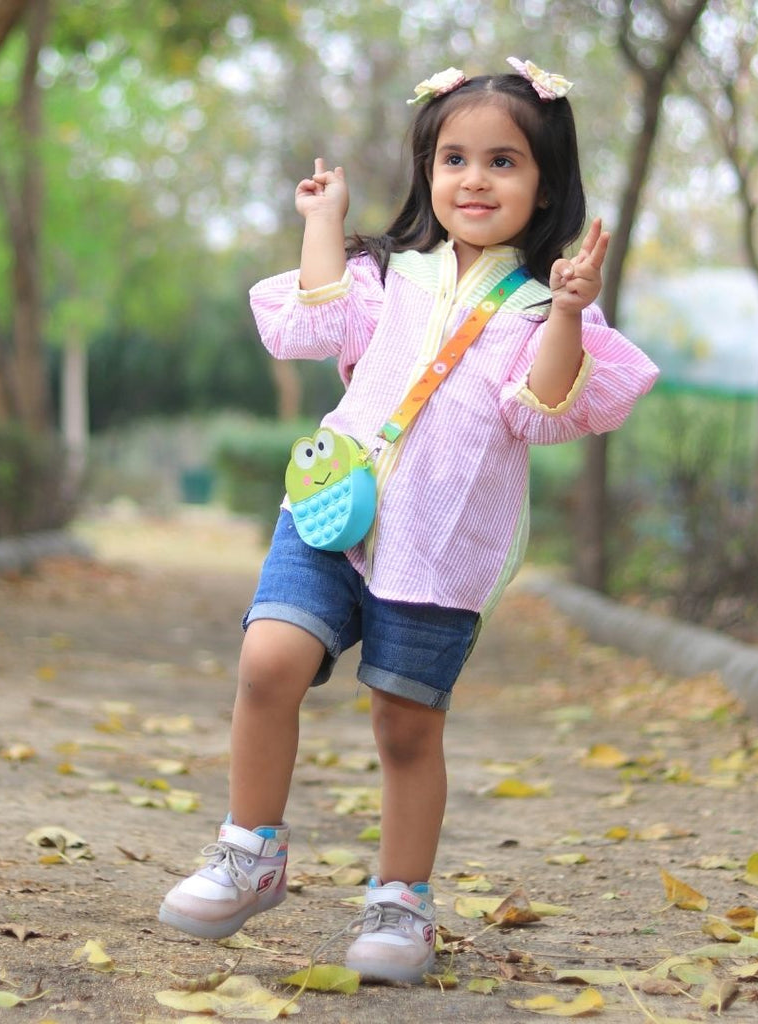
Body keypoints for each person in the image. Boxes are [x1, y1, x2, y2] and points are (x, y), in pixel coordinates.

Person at [159, 58, 659, 984]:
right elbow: (315, 323)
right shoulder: (386, 272)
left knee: (405, 727)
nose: (475, 179)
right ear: (427, 169)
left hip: (442, 548)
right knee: (269, 659)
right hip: (330, 511)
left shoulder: (539, 304)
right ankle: (248, 849)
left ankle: (400, 903)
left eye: (504, 161)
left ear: (546, 181)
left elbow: (541, 410)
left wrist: (573, 314)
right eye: (455, 158)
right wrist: (319, 221)